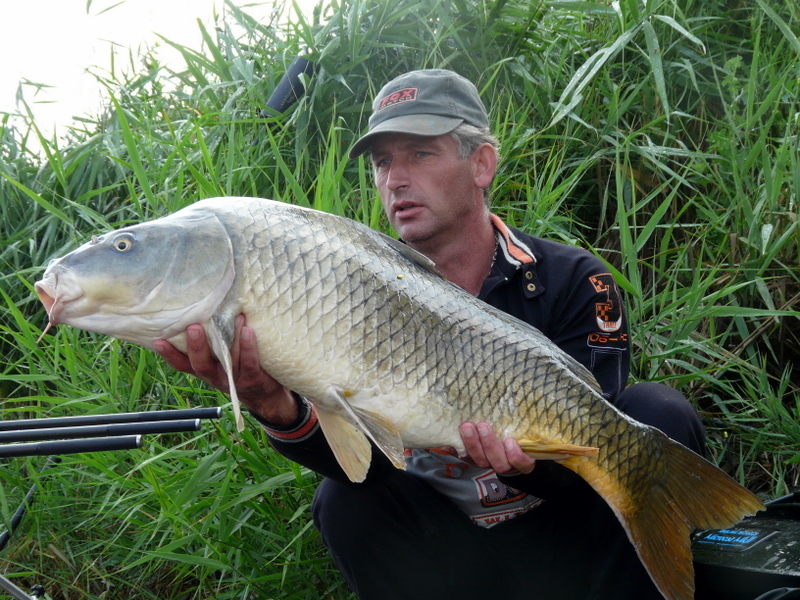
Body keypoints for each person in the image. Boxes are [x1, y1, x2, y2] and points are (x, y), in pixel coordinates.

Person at [155, 69, 706, 599]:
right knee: (343, 503)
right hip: (454, 550)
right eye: (382, 162)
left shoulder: (574, 280)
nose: (395, 179)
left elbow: (589, 455)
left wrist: (530, 465)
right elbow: (365, 466)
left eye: (420, 154)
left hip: (568, 533)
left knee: (654, 414)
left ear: (481, 164)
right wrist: (270, 404)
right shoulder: (342, 289)